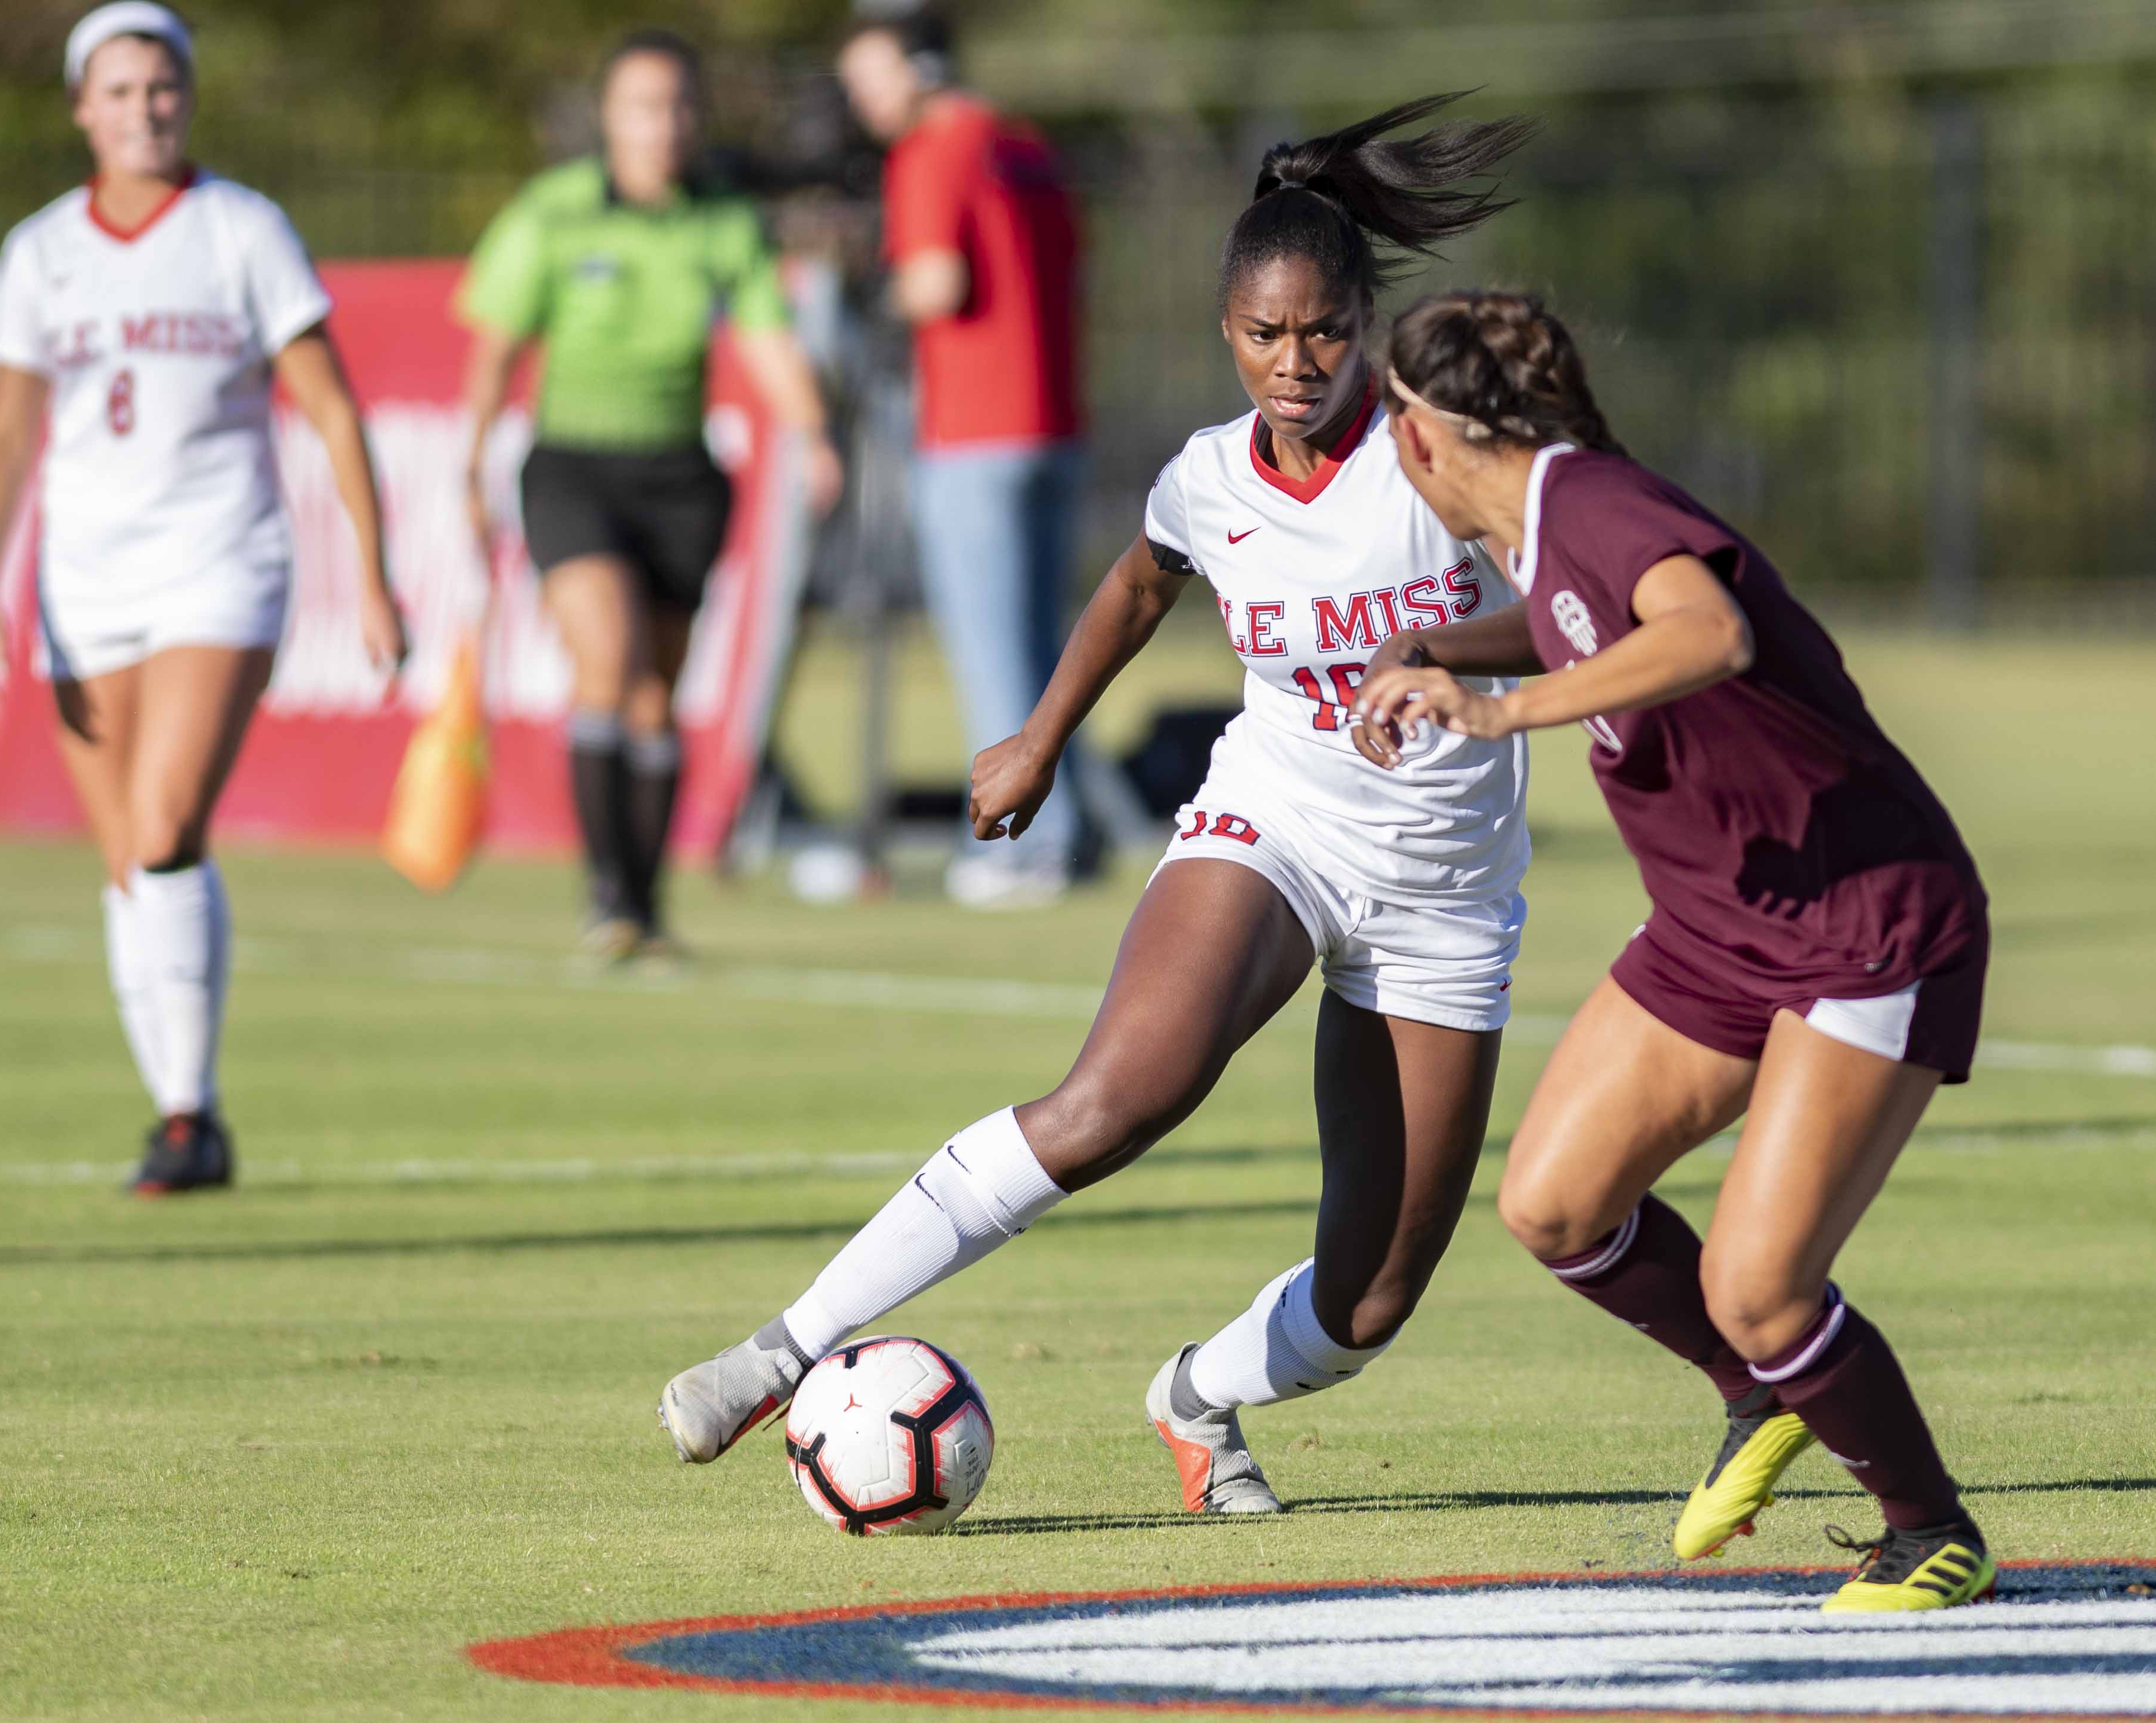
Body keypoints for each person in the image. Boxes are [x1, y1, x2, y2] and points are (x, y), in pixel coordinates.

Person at [659, 97, 1544, 1514]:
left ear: (1365, 327)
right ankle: (781, 1347)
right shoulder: (1208, 476)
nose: (1294, 363)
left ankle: (1195, 1394)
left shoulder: (1442, 458)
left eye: (1323, 332)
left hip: (1443, 890)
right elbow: (1139, 583)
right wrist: (1037, 738)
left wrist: (1441, 648)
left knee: (1371, 1299)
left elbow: (1574, 608)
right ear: (1226, 332)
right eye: (1263, 334)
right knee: (1113, 1100)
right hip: (1277, 826)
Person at [1355, 292, 1995, 1612]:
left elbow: (1707, 632)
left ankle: (1930, 1530)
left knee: (1758, 1286)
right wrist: (1432, 648)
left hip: (1859, 922)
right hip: (1719, 924)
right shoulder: (1547, 529)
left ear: (1423, 437)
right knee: (1554, 1205)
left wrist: (1502, 711)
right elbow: (1580, 622)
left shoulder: (1591, 500)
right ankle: (1762, 1392)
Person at [0, 2, 405, 1194]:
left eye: (161, 87)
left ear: (188, 98)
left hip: (220, 557)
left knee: (164, 826)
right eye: (118, 90)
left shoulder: (240, 229)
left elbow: (330, 407)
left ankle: (182, 1115)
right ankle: (187, 1110)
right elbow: (6, 435)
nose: (144, 110)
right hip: (85, 575)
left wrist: (373, 573)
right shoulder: (45, 248)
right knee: (129, 857)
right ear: (81, 109)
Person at [458, 28, 843, 966]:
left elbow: (765, 335)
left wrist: (814, 434)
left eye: (678, 106)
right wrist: (471, 463)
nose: (663, 125)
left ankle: (646, 904)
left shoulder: (724, 221)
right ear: (608, 117)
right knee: (609, 661)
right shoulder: (553, 212)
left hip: (680, 478)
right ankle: (607, 897)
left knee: (657, 700)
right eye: (642, 107)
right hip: (574, 469)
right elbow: (496, 345)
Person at [836, 8, 1091, 908]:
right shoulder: (1020, 142)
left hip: (975, 433)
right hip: (1054, 424)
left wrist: (861, 295)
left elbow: (936, 282)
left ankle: (1025, 844)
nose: (864, 101)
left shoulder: (931, 148)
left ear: (920, 67)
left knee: (991, 655)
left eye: (873, 78)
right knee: (1047, 654)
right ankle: (1073, 830)